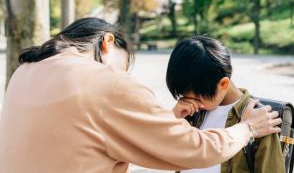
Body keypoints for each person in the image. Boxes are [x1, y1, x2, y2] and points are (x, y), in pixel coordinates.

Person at [0, 18, 282, 173]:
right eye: (123, 66)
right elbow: (193, 150)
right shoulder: (105, 82)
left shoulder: (24, 72)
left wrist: (164, 122)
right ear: (107, 42)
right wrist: (246, 128)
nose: (123, 75)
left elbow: (89, 142)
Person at [167, 35, 285, 173]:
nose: (190, 103)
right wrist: (172, 120)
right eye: (183, 96)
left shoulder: (260, 119)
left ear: (223, 84)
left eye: (197, 99)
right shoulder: (189, 114)